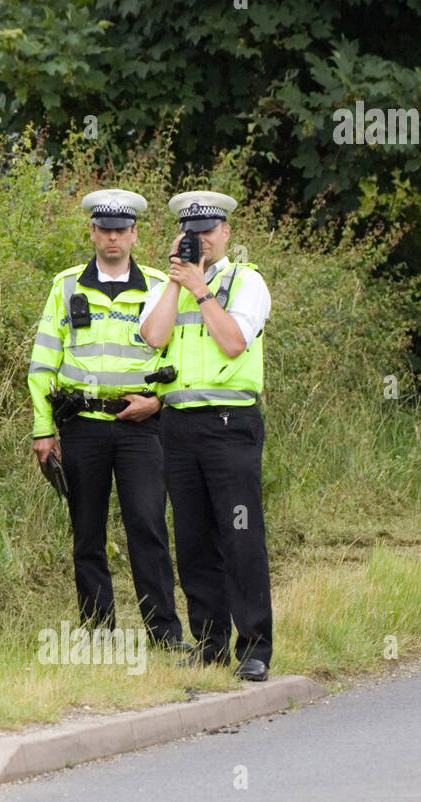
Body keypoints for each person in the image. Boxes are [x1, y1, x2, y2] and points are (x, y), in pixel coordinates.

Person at [28, 189, 186, 648]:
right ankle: (99, 633)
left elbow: (181, 356)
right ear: (92, 232)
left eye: (122, 230)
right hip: (82, 426)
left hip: (141, 426)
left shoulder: (160, 285)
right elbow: (42, 365)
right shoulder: (65, 286)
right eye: (105, 230)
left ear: (135, 234)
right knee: (87, 532)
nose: (113, 238)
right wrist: (43, 429)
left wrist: (157, 403)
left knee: (148, 527)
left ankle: (164, 635)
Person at [139, 190, 273, 680]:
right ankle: (211, 643)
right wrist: (177, 282)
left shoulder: (247, 281)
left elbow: (234, 343)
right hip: (178, 425)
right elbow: (154, 337)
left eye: (209, 232)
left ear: (226, 234)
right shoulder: (166, 285)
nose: (201, 240)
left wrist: (200, 288)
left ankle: (255, 647)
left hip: (229, 425)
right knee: (193, 540)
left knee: (240, 536)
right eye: (192, 234)